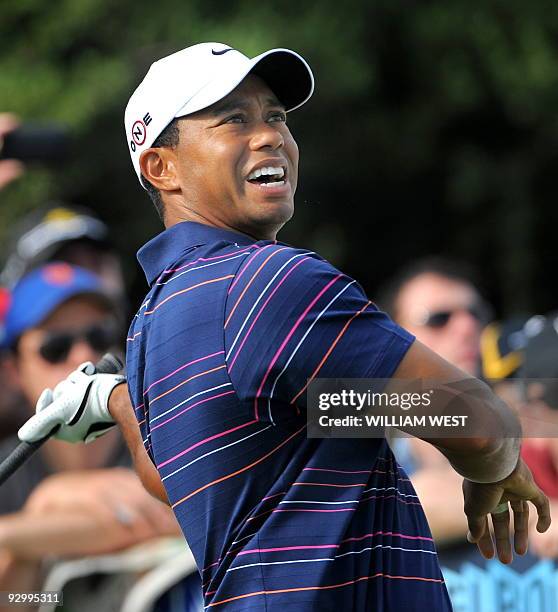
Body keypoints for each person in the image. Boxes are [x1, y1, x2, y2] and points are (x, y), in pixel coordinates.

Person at [19, 43, 550, 611]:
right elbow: (474, 420)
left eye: (275, 116)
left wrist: (118, 401)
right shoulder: (271, 281)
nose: (270, 135)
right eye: (234, 120)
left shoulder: (154, 318)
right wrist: (492, 461)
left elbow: (187, 481)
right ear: (161, 166)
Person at [0, 262, 180, 609]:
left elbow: (167, 518)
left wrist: (32, 520)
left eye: (99, 337)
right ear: (13, 372)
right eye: (55, 347)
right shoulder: (7, 467)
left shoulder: (164, 435)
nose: (84, 356)